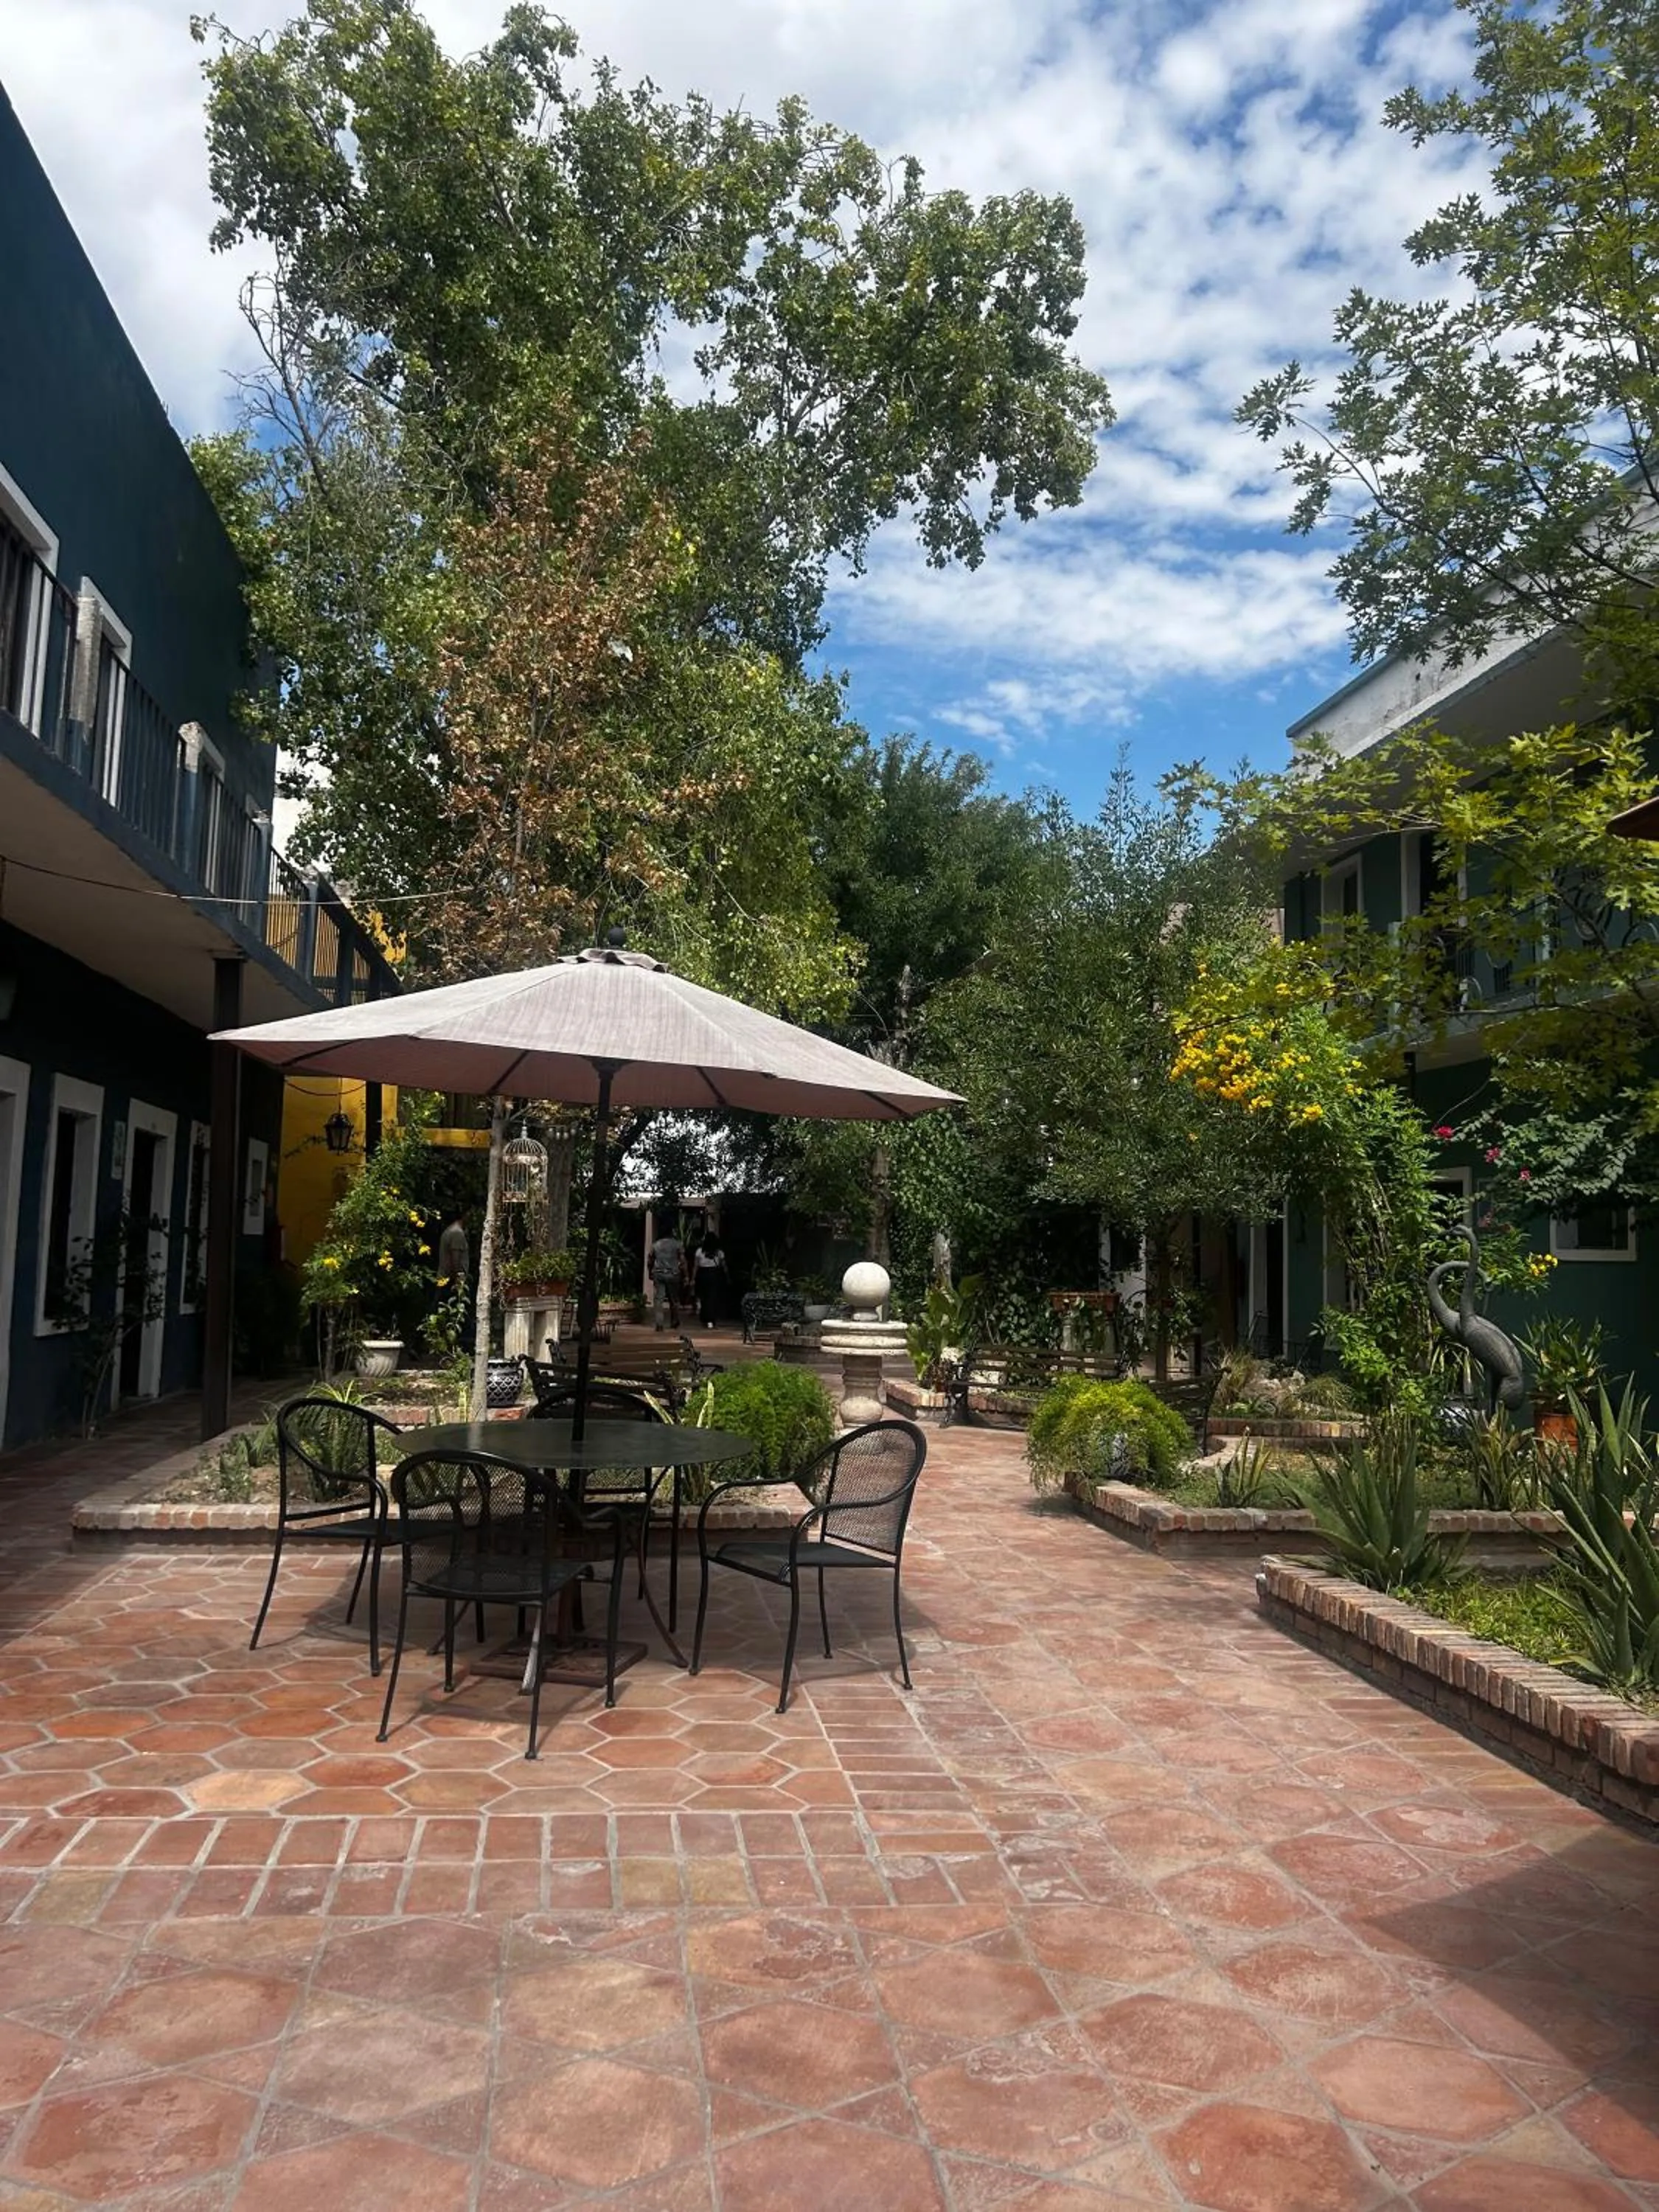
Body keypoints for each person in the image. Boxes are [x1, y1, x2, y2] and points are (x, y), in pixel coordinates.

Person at [649, 1223, 685, 1330]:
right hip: (673, 1274)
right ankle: (674, 1321)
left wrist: (649, 1271)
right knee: (674, 1299)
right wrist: (686, 1274)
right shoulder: (678, 1244)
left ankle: (659, 1323)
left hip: (659, 1273)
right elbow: (683, 1261)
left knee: (659, 1299)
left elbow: (650, 1260)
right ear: (671, 1232)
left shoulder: (655, 1245)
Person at [692, 1233, 728, 1329]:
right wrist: (727, 1276)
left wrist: (693, 1278)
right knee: (713, 1297)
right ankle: (711, 1320)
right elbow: (724, 1266)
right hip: (714, 1274)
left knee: (703, 1297)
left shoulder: (699, 1251)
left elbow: (696, 1266)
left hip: (702, 1274)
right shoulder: (719, 1252)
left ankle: (704, 1318)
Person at [437, 1213, 470, 1284]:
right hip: (451, 1280)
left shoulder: (451, 1229)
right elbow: (455, 1257)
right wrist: (457, 1278)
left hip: (445, 1278)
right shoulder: (457, 1233)